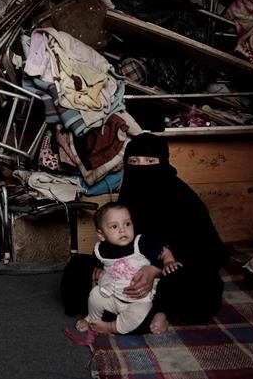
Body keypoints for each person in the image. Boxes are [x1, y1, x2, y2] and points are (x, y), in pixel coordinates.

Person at [62, 133, 229, 334]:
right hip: (125, 271)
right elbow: (117, 238)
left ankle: (154, 311)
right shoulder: (130, 192)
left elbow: (206, 252)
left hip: (169, 272)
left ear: (163, 163)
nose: (141, 168)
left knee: (203, 285)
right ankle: (136, 315)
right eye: (134, 161)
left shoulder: (184, 198)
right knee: (77, 268)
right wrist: (102, 267)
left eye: (150, 161)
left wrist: (156, 270)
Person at [75, 202, 180, 335]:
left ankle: (110, 327)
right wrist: (98, 272)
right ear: (101, 234)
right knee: (95, 295)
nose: (123, 230)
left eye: (127, 224)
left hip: (140, 300)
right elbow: (99, 265)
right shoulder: (99, 250)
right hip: (113, 296)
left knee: (137, 315)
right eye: (114, 226)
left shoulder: (139, 243)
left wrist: (169, 261)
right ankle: (92, 319)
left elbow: (162, 250)